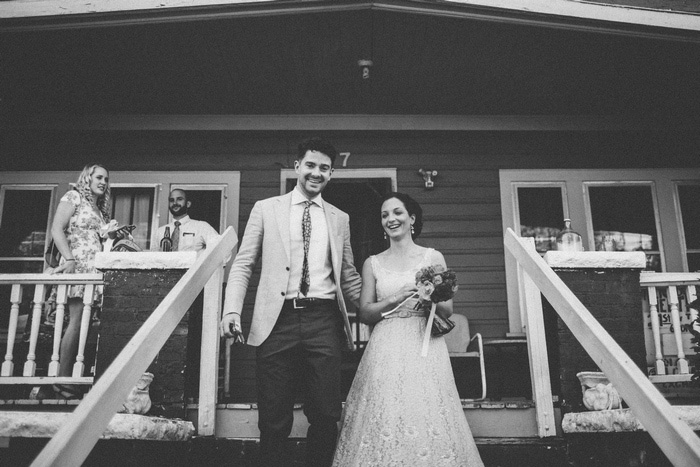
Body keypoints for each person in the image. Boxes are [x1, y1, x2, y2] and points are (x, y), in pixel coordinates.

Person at [220, 137, 362, 467]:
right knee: (273, 417)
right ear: (297, 166)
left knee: (327, 413)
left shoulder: (340, 218)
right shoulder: (266, 209)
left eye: (324, 168)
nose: (316, 172)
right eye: (310, 165)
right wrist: (231, 309)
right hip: (276, 320)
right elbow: (243, 264)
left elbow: (349, 276)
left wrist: (389, 307)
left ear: (331, 174)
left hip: (323, 320)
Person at [332, 192, 484, 466]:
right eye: (385, 215)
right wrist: (394, 297)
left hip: (422, 343)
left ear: (411, 218)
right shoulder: (372, 263)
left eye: (397, 212)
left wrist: (429, 298)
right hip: (386, 343)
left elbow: (447, 308)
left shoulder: (432, 256)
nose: (391, 219)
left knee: (424, 407)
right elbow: (365, 312)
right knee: (387, 408)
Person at [46, 163, 114, 399]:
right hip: (78, 266)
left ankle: (77, 375)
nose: (103, 182)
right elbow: (57, 228)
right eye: (99, 177)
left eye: (106, 179)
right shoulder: (72, 196)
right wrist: (69, 258)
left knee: (88, 323)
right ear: (88, 177)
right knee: (76, 321)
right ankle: (62, 380)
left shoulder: (99, 209)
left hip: (96, 270)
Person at [154, 189, 220, 252]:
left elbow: (221, 249)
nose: (175, 203)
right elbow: (152, 258)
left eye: (179, 199)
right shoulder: (160, 231)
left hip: (194, 264)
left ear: (188, 204)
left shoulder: (202, 227)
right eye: (171, 200)